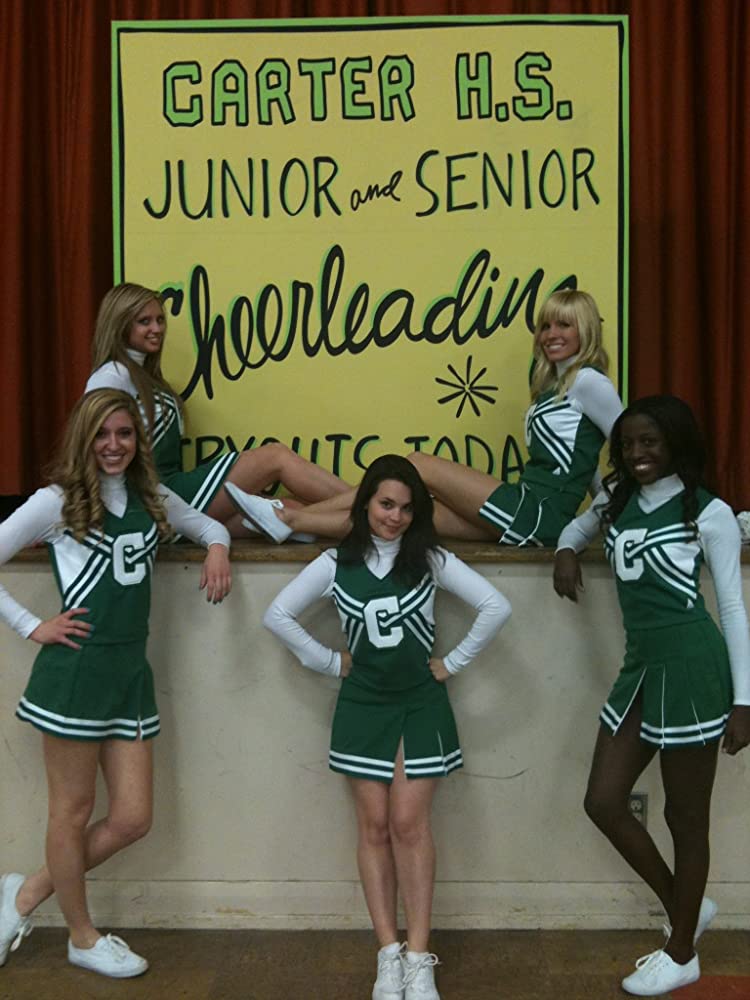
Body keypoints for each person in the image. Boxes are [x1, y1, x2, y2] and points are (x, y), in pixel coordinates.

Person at [0, 389, 232, 979]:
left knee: (132, 818)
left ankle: (24, 894)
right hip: (75, 675)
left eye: (124, 433)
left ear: (138, 440)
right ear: (84, 438)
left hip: (131, 673)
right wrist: (32, 625)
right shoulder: (56, 501)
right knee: (71, 812)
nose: (113, 445)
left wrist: (217, 548)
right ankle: (82, 936)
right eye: (102, 434)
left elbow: (207, 524)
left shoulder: (152, 496)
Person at [263, 455, 511, 1000]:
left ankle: (419, 958)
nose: (394, 517)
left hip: (421, 704)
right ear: (365, 503)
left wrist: (453, 662)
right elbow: (276, 615)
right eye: (385, 504)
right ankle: (388, 955)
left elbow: (495, 606)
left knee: (408, 824)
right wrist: (330, 661)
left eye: (406, 508)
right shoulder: (335, 562)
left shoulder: (432, 560)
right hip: (362, 704)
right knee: (373, 826)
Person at [553, 395, 750, 997]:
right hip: (640, 667)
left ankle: (682, 951)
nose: (638, 453)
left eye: (650, 442)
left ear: (676, 444)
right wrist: (566, 550)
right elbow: (577, 526)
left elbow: (733, 609)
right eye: (628, 444)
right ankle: (684, 905)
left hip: (693, 668)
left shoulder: (709, 512)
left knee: (684, 818)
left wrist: (745, 701)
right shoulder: (617, 500)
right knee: (603, 800)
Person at [229, 289, 623, 548]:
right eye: (545, 325)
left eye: (564, 324)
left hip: (539, 513)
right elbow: (586, 463)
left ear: (585, 329)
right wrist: (591, 512)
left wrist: (587, 525)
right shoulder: (555, 386)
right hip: (532, 513)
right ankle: (300, 525)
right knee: (404, 517)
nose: (551, 334)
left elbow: (629, 451)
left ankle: (290, 516)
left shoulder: (590, 382)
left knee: (416, 465)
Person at [86, 283, 350, 537]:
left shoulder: (145, 376)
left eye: (160, 320)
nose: (157, 328)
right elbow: (88, 444)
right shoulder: (112, 375)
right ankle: (367, 504)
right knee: (276, 457)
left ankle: (369, 529)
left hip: (166, 500)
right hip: (157, 497)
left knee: (287, 510)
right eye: (144, 321)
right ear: (120, 324)